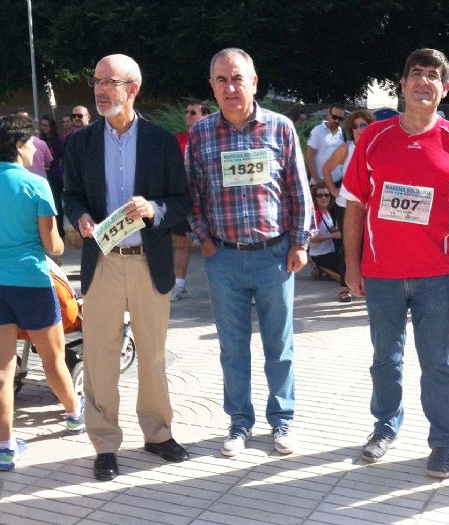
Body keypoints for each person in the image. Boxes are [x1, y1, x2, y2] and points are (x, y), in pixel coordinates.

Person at [341, 48, 449, 477]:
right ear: (402, 84)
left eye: (433, 76)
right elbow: (355, 207)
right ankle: (385, 427)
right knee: (385, 359)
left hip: (436, 276)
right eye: (415, 74)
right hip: (381, 274)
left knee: (437, 362)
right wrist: (351, 265)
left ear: (445, 88)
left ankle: (442, 442)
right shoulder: (374, 137)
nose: (423, 82)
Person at [63, 54, 191, 481]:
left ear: (132, 89)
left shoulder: (160, 141)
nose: (99, 89)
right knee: (99, 356)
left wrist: (154, 209)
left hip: (147, 262)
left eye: (109, 82)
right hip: (102, 263)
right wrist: (79, 217)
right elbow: (72, 195)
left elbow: (182, 202)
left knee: (152, 355)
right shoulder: (81, 142)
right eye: (96, 80)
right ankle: (104, 442)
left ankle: (157, 434)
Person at [188, 48, 313, 457]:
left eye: (238, 78)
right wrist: (204, 238)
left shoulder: (280, 129)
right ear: (212, 87)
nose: (230, 87)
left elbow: (297, 189)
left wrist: (300, 242)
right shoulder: (201, 134)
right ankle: (239, 423)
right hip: (222, 258)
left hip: (274, 256)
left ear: (254, 82)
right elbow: (193, 196)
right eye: (221, 80)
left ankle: (284, 422)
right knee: (232, 348)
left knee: (280, 346)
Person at [0, 114, 85, 471]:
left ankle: (5, 446)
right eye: (30, 143)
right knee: (53, 359)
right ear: (17, 145)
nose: (34, 149)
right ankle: (74, 416)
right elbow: (54, 246)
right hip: (31, 282)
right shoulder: (36, 185)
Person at [322, 109, 376, 302]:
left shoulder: (376, 147)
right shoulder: (346, 148)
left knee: (368, 243)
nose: (359, 129)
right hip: (346, 204)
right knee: (348, 245)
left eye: (363, 125)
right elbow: (326, 169)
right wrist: (333, 191)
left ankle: (367, 282)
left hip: (370, 205)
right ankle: (344, 287)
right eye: (355, 126)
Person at [171, 101, 211, 302]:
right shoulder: (178, 139)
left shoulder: (212, 138)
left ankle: (218, 286)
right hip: (183, 198)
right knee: (181, 242)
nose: (188, 115)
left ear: (205, 116)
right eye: (186, 111)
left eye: (193, 112)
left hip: (207, 200)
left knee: (210, 242)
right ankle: (179, 285)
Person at [309, 181, 342, 283]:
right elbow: (311, 238)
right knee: (344, 279)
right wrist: (333, 235)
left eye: (326, 195)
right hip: (320, 254)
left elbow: (326, 230)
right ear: (314, 198)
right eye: (320, 195)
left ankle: (324, 270)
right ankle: (319, 266)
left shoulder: (326, 211)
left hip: (331, 251)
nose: (324, 198)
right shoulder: (315, 214)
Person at [40, 116, 67, 239]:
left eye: (46, 125)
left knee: (56, 205)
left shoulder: (59, 140)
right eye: (42, 125)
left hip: (55, 176)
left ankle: (60, 231)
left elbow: (63, 157)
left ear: (51, 126)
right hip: (43, 176)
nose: (43, 127)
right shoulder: (41, 140)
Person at [305, 103, 345, 184]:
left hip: (338, 182)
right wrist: (317, 181)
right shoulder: (317, 131)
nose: (337, 120)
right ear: (328, 115)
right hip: (321, 184)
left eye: (340, 118)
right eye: (334, 117)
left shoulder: (342, 132)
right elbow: (308, 158)